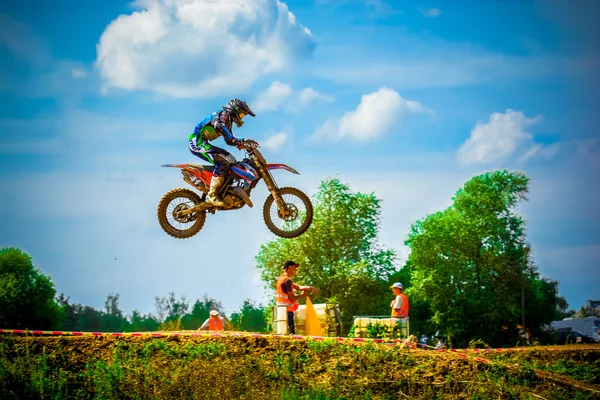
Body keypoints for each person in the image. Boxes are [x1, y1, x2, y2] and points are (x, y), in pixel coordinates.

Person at [188, 98, 257, 207]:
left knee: (231, 159)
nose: (241, 117)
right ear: (236, 110)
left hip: (203, 142)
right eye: (242, 114)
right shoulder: (223, 115)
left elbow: (229, 140)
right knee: (223, 161)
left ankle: (223, 189)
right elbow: (218, 125)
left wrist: (243, 141)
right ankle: (212, 195)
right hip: (197, 142)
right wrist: (235, 140)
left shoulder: (228, 121)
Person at [275, 260, 317, 335]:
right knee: (290, 334)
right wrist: (302, 295)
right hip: (287, 312)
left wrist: (310, 288)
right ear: (290, 267)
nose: (296, 270)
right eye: (295, 268)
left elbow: (299, 287)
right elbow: (292, 298)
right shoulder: (287, 281)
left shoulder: (282, 278)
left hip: (282, 311)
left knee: (284, 333)